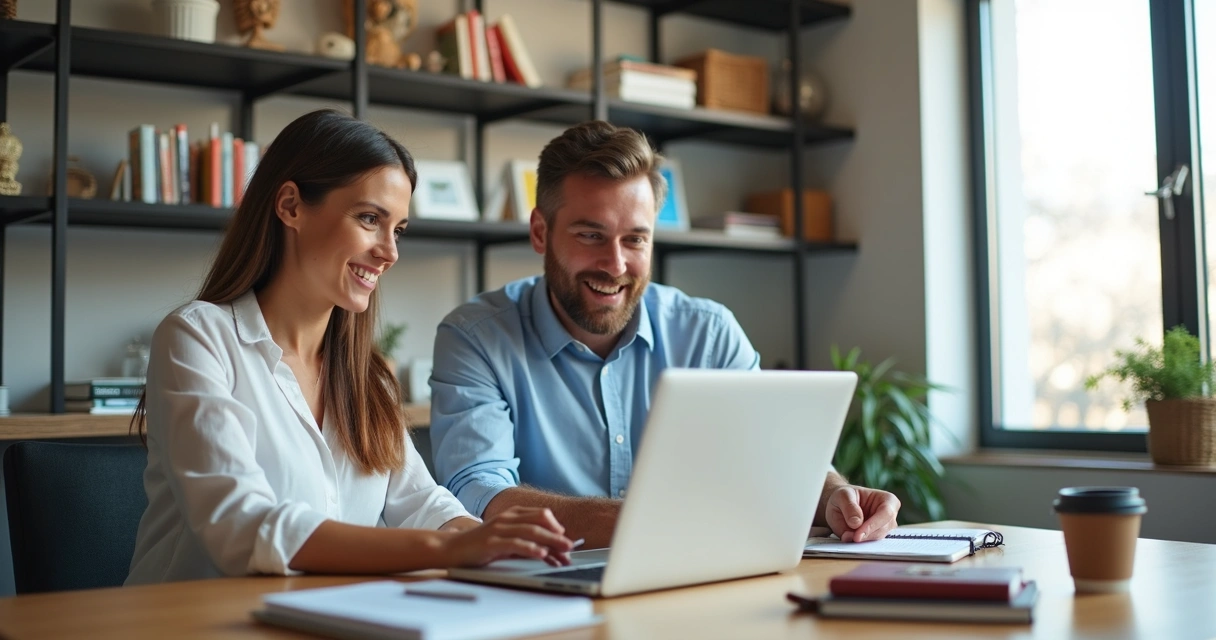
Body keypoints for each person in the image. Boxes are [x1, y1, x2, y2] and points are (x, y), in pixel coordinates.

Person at [125, 109, 575, 585]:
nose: (389, 251)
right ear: (291, 206)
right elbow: (241, 526)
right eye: (369, 219)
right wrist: (452, 546)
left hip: (326, 619)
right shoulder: (198, 339)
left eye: (397, 229)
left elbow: (421, 502)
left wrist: (491, 544)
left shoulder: (369, 376)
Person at [430, 121, 901, 549]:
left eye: (635, 239)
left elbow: (773, 460)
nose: (615, 265)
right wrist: (652, 523)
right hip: (546, 589)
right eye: (590, 235)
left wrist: (836, 496)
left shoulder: (708, 333)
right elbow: (478, 493)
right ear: (540, 232)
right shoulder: (474, 337)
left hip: (693, 577)